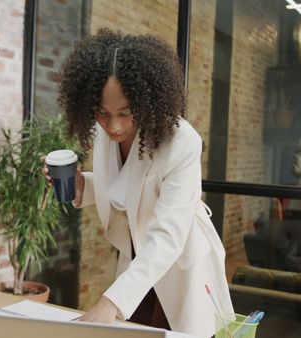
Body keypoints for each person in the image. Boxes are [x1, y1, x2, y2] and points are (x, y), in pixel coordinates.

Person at [41, 28, 233, 337]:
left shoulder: (181, 142)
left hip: (179, 263)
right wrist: (80, 185)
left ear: (146, 100)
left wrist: (110, 302)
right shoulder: (103, 133)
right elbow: (123, 187)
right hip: (137, 259)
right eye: (102, 113)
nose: (113, 125)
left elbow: (168, 237)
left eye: (125, 113)